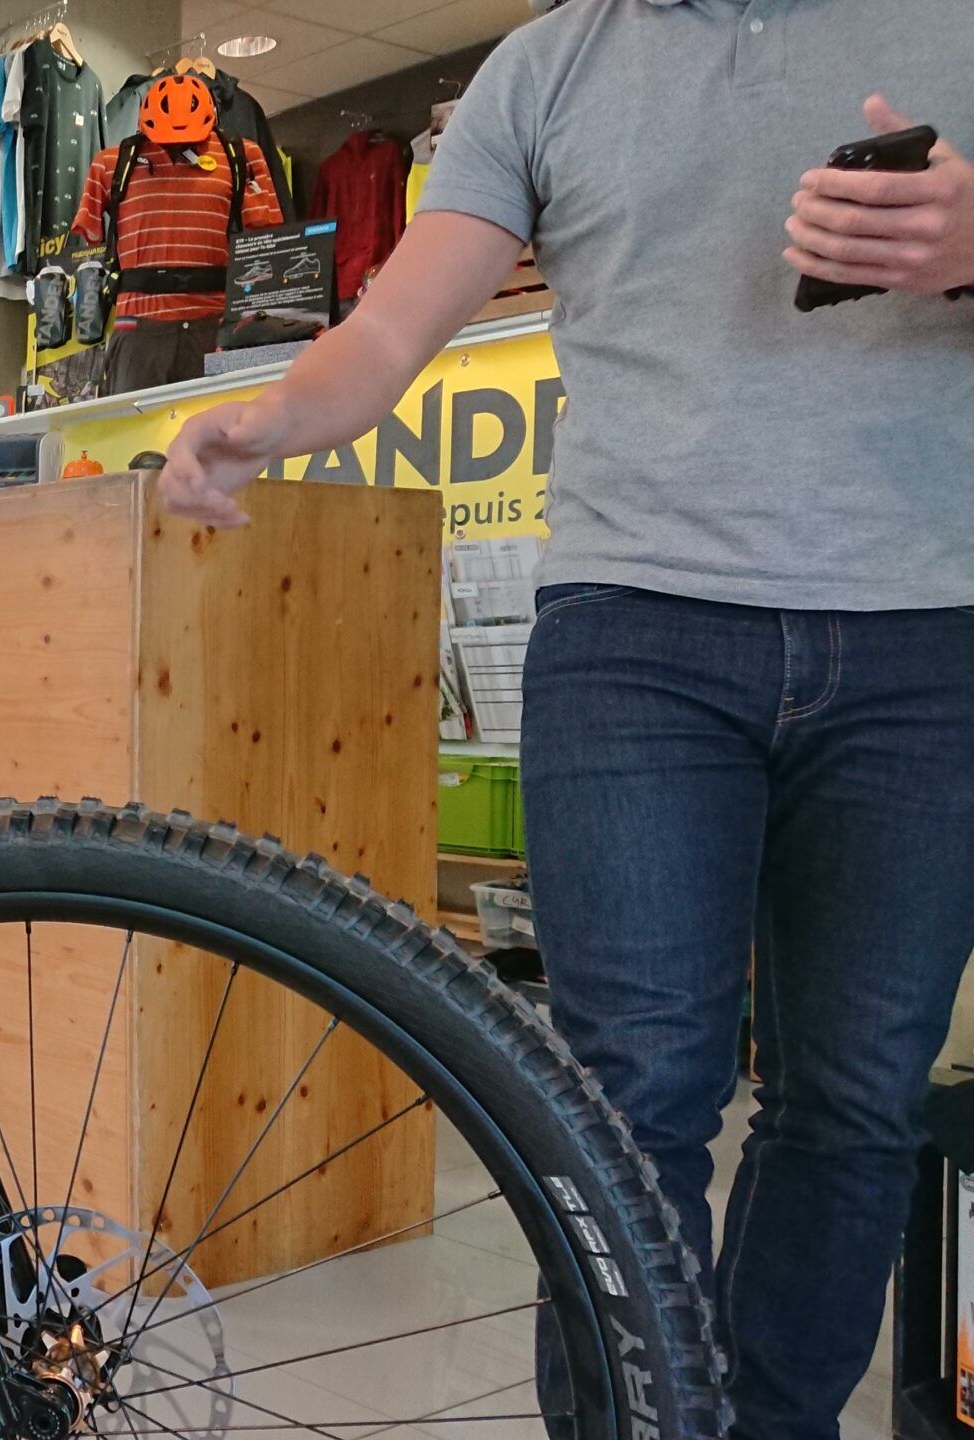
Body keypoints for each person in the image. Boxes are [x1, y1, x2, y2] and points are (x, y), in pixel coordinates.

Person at [156, 3, 974, 1435]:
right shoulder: (542, 69)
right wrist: (278, 416)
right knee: (624, 1109)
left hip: (931, 632)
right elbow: (392, 325)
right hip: (637, 638)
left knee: (856, 1101)